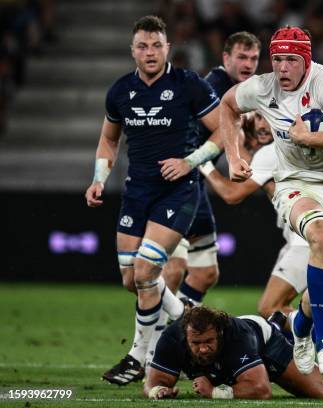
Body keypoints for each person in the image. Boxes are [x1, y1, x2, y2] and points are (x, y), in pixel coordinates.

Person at [219, 26, 323, 377]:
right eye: (277, 59)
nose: (282, 67)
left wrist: (312, 137)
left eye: (291, 59)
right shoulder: (262, 86)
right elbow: (227, 106)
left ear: (306, 61)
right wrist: (232, 156)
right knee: (322, 238)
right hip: (295, 183)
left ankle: (301, 326)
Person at [84, 15, 221, 385]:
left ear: (167, 49)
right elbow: (109, 139)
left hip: (178, 190)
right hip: (137, 192)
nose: (150, 52)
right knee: (132, 280)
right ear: (133, 50)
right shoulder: (120, 91)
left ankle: (139, 356)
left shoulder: (188, 85)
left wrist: (188, 161)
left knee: (147, 273)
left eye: (156, 45)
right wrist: (99, 179)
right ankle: (183, 317)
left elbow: (225, 129)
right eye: (143, 46)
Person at [200, 112, 323, 371]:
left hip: (305, 241)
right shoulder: (281, 151)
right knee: (288, 304)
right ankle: (322, 342)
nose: (263, 125)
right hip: (308, 236)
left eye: (267, 118)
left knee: (270, 306)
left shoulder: (271, 154)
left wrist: (203, 162)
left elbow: (231, 194)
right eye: (258, 120)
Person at [148, 31, 262, 369]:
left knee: (206, 273)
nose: (248, 64)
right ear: (225, 59)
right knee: (173, 269)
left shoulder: (247, 93)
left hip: (194, 182)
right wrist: (210, 168)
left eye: (254, 59)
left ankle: (175, 333)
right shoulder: (213, 86)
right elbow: (194, 137)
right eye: (241, 57)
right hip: (176, 184)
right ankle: (153, 350)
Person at [144, 305, 323, 400]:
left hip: (264, 344)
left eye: (209, 341)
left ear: (219, 334)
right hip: (229, 361)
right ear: (185, 338)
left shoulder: (238, 337)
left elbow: (262, 390)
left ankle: (280, 325)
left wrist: (214, 392)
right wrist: (157, 391)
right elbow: (154, 381)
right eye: (196, 343)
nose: (203, 348)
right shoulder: (171, 339)